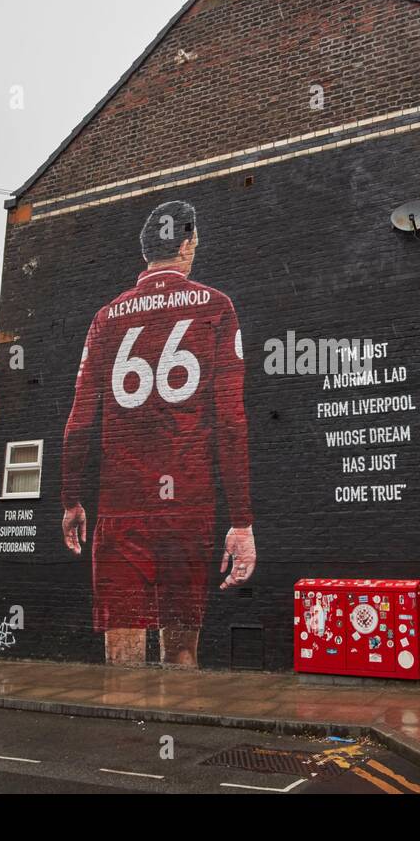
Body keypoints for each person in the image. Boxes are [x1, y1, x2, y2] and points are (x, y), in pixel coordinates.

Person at [61, 200, 255, 665]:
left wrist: (71, 499)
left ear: (146, 251)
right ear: (186, 245)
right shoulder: (216, 306)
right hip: (189, 503)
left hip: (122, 502)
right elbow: (231, 420)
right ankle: (173, 728)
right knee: (183, 651)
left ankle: (125, 732)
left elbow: (80, 419)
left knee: (122, 642)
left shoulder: (107, 318)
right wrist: (242, 521)